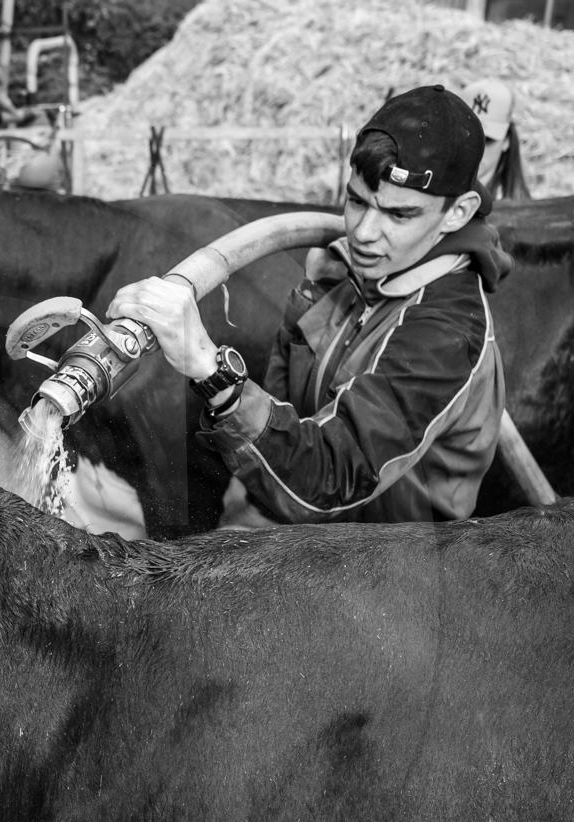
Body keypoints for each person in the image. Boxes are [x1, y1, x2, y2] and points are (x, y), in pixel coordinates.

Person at [106, 84, 514, 525]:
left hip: (391, 560)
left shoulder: (446, 333)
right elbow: (289, 412)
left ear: (458, 212)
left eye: (399, 214)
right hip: (305, 541)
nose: (363, 233)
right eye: (357, 200)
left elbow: (329, 479)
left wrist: (209, 367)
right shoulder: (351, 272)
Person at [458, 79, 531, 201]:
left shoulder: (522, 206)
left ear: (507, 140)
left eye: (487, 140)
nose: (474, 151)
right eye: (466, 137)